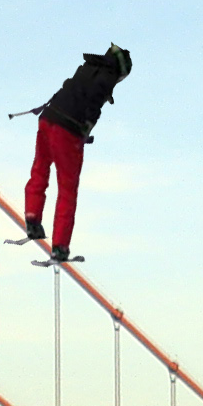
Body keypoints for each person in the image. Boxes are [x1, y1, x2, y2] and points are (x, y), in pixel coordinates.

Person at [20, 46, 130, 262]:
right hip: (67, 132)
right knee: (67, 189)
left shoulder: (86, 68)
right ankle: (60, 246)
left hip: (47, 118)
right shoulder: (107, 78)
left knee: (40, 168)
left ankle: (32, 219)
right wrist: (85, 131)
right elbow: (93, 108)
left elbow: (66, 89)